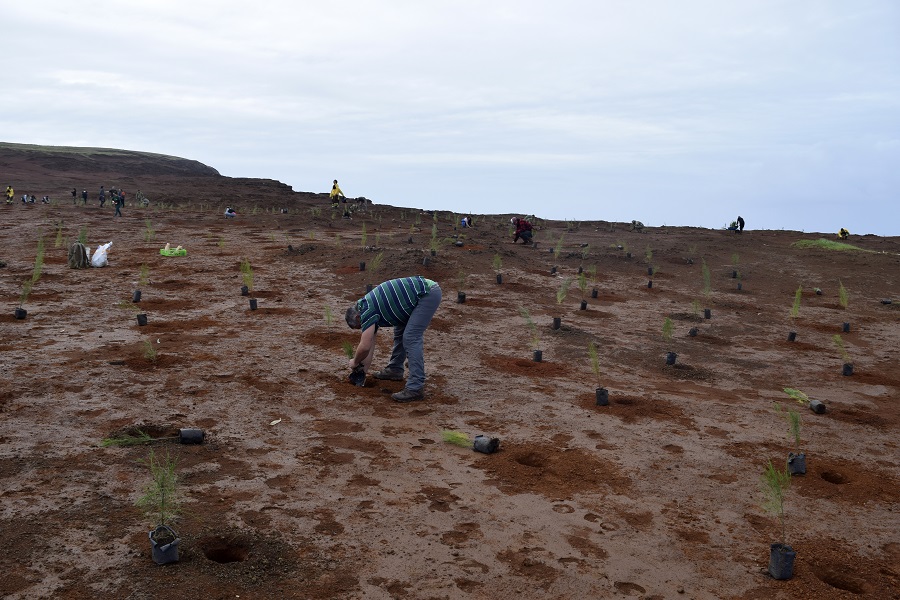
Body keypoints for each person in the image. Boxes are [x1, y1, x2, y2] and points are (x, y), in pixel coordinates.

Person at [345, 276, 442, 402]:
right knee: (400, 332)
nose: (363, 328)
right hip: (416, 296)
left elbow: (364, 347)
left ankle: (415, 388)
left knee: (411, 337)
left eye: (360, 327)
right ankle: (395, 370)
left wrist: (355, 361)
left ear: (358, 317)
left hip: (427, 294)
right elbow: (370, 345)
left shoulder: (366, 312)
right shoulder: (365, 306)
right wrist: (362, 370)